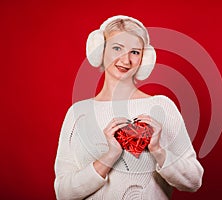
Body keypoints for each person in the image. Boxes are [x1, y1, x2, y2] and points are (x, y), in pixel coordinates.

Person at [54, 15, 204, 200]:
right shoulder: (78, 113)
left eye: (135, 52)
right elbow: (63, 193)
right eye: (117, 48)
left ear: (144, 58)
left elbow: (193, 181)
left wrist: (158, 150)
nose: (126, 60)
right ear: (100, 50)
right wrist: (110, 156)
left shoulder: (161, 106)